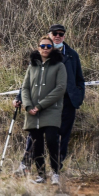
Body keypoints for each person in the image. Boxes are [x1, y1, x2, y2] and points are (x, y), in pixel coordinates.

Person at [14, 24, 85, 175]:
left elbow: (80, 78)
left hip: (67, 102)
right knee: (35, 135)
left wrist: (78, 96)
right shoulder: (39, 56)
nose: (58, 36)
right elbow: (29, 82)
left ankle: (56, 169)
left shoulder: (72, 54)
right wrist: (20, 97)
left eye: (61, 34)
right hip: (43, 102)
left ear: (64, 36)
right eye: (54, 33)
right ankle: (26, 164)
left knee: (62, 137)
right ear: (49, 35)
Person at [21, 36, 68, 185]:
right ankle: (41, 175)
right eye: (43, 46)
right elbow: (25, 88)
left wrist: (40, 105)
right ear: (38, 47)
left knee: (52, 141)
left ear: (52, 48)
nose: (46, 49)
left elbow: (60, 88)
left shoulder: (59, 65)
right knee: (36, 144)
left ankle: (55, 173)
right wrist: (28, 106)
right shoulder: (32, 66)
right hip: (32, 112)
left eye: (49, 46)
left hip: (51, 111)